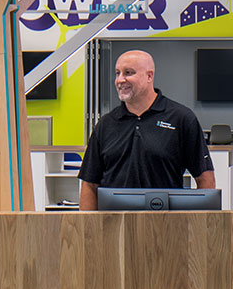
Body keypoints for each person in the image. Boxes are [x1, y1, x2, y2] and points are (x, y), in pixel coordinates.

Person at [77, 50, 215, 210]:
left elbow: (205, 179)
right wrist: (88, 229)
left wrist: (201, 226)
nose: (120, 80)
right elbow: (89, 184)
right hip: (114, 227)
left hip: (165, 225)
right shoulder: (106, 124)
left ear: (149, 76)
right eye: (117, 73)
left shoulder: (181, 118)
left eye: (128, 73)